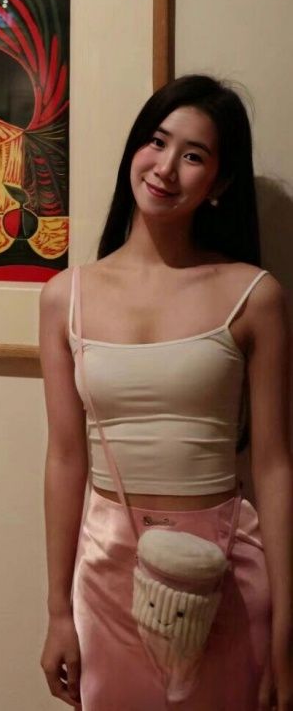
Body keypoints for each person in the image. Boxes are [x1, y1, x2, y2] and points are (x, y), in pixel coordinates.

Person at [38, 75, 292, 709]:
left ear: (220, 184)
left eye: (194, 155)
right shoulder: (65, 296)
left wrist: (287, 625)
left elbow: (273, 464)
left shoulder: (254, 295)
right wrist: (57, 611)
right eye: (156, 141)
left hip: (227, 571)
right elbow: (65, 458)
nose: (165, 167)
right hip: (106, 571)